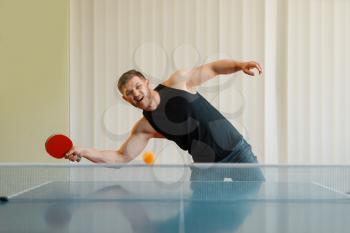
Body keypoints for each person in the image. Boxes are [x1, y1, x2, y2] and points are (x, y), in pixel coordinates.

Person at [66, 59, 263, 167]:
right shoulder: (145, 127)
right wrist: (83, 151)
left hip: (237, 151)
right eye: (129, 93)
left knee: (258, 202)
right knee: (203, 218)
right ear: (126, 99)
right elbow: (120, 157)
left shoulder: (179, 82)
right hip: (205, 166)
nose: (136, 93)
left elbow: (212, 68)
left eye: (137, 86)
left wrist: (239, 65)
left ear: (146, 83)